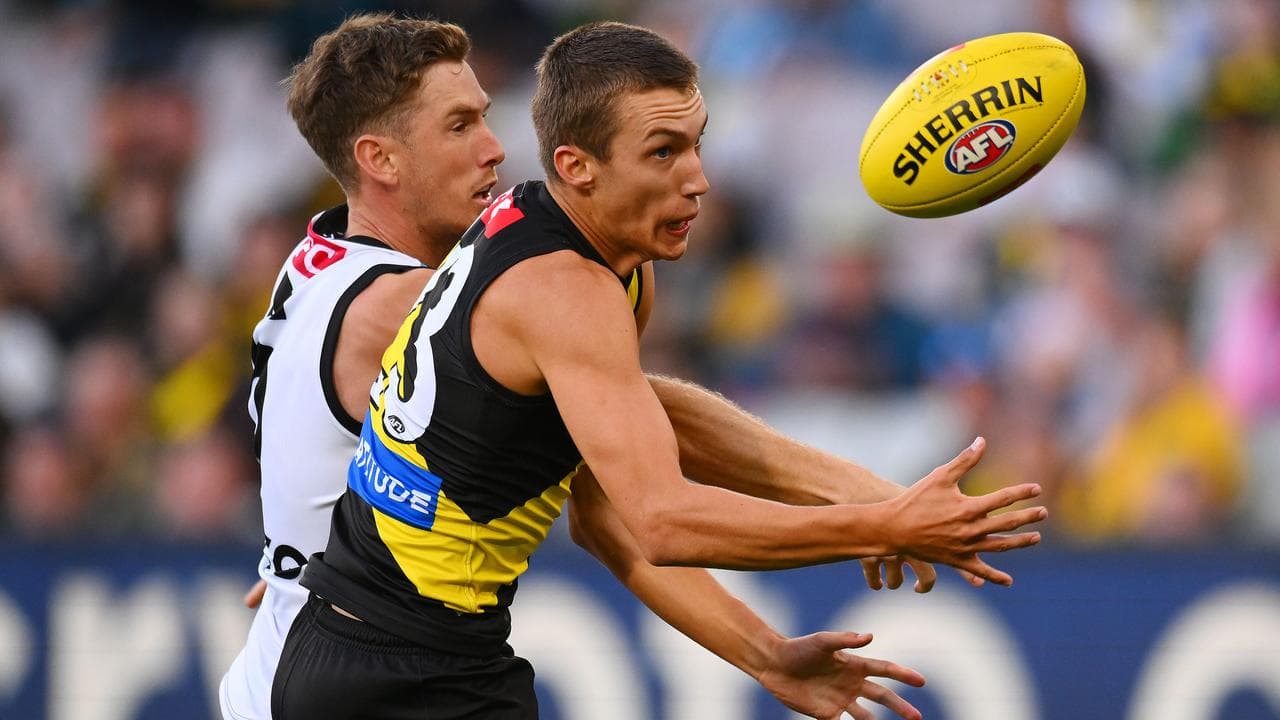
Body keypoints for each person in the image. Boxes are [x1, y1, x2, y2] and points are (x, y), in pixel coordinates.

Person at [273, 20, 1047, 720]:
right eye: (663, 152)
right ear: (578, 166)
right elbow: (663, 520)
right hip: (399, 672)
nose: (698, 179)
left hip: (380, 654)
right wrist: (880, 522)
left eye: (697, 143)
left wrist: (772, 646)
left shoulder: (587, 248)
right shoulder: (565, 291)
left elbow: (607, 511)